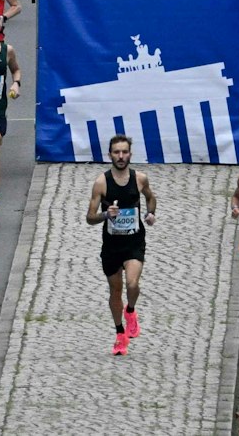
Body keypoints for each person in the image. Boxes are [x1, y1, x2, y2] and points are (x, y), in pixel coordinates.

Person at [86, 134, 155, 358]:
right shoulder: (102, 183)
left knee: (132, 283)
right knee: (115, 290)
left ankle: (131, 310)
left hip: (134, 242)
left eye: (124, 152)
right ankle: (119, 333)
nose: (121, 156)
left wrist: (150, 213)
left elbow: (150, 198)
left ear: (130, 155)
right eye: (117, 152)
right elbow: (90, 217)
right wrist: (106, 214)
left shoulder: (140, 178)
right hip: (111, 245)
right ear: (110, 155)